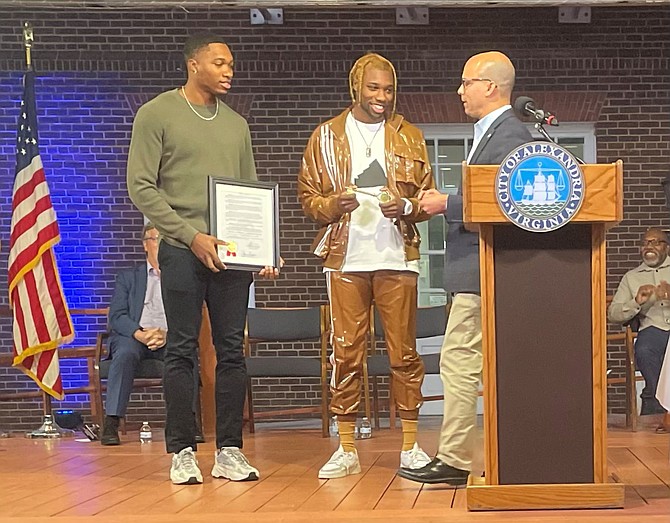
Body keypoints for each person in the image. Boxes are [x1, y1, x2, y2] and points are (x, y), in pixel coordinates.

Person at [127, 33, 280, 485]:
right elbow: (142, 187)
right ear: (193, 65)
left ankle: (230, 449)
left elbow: (250, 192)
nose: (229, 71)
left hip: (232, 257)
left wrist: (263, 248)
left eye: (231, 63)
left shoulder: (236, 124)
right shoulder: (156, 114)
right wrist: (191, 236)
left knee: (232, 352)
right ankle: (182, 450)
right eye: (219, 63)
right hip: (181, 249)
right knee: (182, 349)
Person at [298, 52, 435, 479]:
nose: (382, 97)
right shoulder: (325, 136)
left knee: (404, 353)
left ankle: (411, 446)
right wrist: (330, 204)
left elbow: (427, 197)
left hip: (397, 256)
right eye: (374, 88)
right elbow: (307, 198)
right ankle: (346, 447)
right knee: (346, 352)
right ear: (356, 87)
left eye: (389, 89)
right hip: (345, 258)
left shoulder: (409, 135)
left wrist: (407, 204)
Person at [398, 51, 532, 486]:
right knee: (466, 363)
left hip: (483, 269)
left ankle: (456, 458)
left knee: (458, 362)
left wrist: (446, 203)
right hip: (477, 269)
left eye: (467, 82)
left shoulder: (511, 133)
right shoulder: (492, 132)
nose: (460, 91)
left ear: (491, 87)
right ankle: (468, 454)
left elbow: (512, 199)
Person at [101, 223, 202, 446]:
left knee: (185, 353)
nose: (160, 244)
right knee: (125, 353)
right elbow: (117, 316)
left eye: (164, 239)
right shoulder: (128, 277)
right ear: (145, 245)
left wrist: (167, 334)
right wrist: (140, 334)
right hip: (134, 336)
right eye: (155, 239)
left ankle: (187, 422)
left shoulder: (180, 277)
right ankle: (111, 422)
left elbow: (190, 313)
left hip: (169, 336)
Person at [608, 228, 670, 428]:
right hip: (653, 328)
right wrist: (636, 302)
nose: (649, 247)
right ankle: (666, 410)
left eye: (655, 242)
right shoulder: (631, 277)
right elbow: (614, 314)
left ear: (666, 247)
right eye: (645, 243)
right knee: (644, 350)